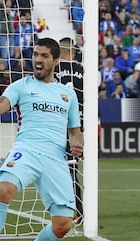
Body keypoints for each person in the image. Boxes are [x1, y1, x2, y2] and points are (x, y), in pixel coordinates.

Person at [0, 38, 84, 241]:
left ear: (55, 60)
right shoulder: (21, 86)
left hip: (55, 158)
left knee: (64, 223)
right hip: (27, 150)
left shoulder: (67, 95)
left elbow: (75, 132)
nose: (38, 60)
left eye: (43, 56)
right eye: (35, 55)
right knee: (4, 189)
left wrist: (77, 145)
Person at [54, 37, 84, 224]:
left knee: (61, 169)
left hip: (59, 124)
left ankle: (73, 209)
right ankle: (76, 209)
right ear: (72, 51)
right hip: (80, 125)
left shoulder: (54, 70)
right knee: (72, 168)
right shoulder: (83, 70)